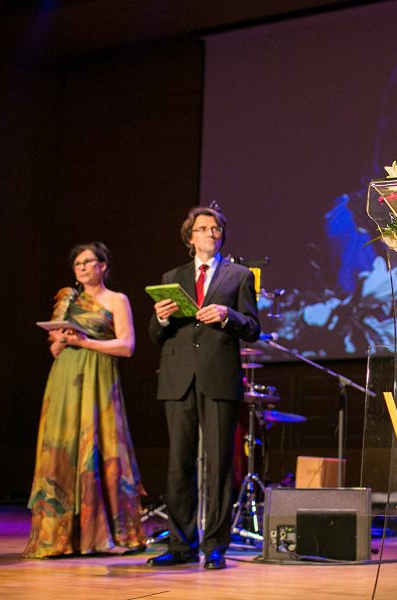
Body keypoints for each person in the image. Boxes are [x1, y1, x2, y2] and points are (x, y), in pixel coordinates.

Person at [147, 204, 260, 570]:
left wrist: (229, 315)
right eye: (203, 228)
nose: (211, 233)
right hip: (178, 378)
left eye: (216, 229)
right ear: (190, 237)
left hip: (218, 376)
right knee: (178, 465)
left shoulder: (239, 275)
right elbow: (155, 335)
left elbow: (253, 328)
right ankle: (181, 545)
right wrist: (161, 317)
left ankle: (215, 546)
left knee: (219, 464)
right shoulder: (172, 276)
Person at [24, 242, 146, 558]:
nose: (81, 267)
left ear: (103, 265)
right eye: (77, 263)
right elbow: (55, 348)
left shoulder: (117, 299)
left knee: (102, 445)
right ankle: (59, 537)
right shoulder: (68, 299)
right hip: (66, 378)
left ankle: (104, 534)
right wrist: (61, 340)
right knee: (61, 447)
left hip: (98, 376)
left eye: (88, 261)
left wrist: (86, 342)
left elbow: (127, 346)